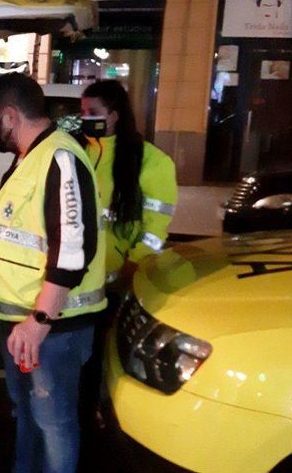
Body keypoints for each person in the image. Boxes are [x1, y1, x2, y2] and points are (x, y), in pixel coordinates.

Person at [0, 73, 105, 473]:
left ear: (11, 116)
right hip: (22, 323)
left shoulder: (59, 159)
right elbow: (21, 228)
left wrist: (39, 321)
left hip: (51, 329)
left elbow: (71, 251)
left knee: (54, 423)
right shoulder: (28, 159)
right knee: (28, 415)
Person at [78, 80, 177, 430]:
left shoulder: (151, 161)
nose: (84, 118)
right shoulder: (79, 152)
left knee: (109, 356)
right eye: (82, 111)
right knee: (83, 359)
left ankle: (104, 418)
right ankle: (85, 415)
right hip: (77, 282)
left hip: (117, 281)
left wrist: (133, 265)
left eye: (93, 113)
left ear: (115, 116)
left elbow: (155, 228)